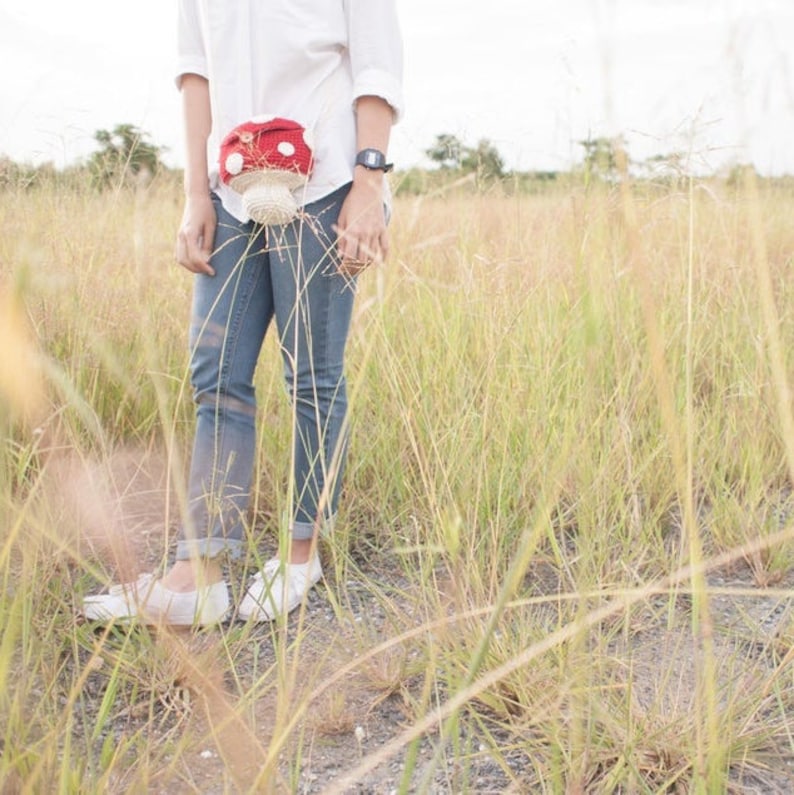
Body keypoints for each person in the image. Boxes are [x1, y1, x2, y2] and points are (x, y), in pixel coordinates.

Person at [82, 0, 404, 625]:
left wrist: (369, 185)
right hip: (231, 191)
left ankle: (300, 554)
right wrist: (194, 195)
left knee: (311, 374)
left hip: (325, 184)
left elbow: (375, 66)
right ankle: (197, 576)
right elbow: (196, 73)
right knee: (216, 378)